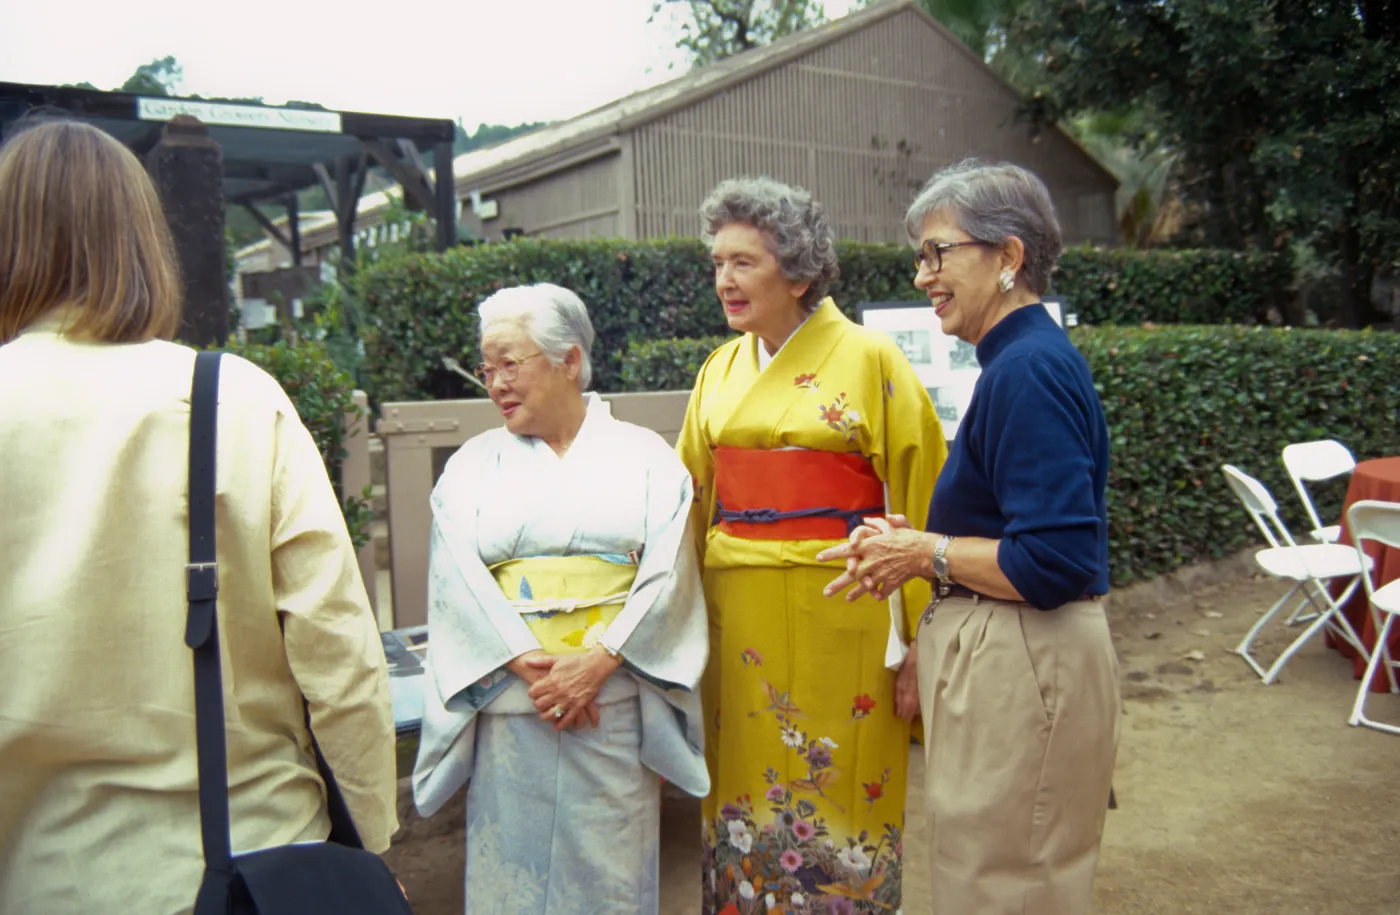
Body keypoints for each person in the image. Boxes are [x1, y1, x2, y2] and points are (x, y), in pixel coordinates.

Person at [0, 120, 398, 914]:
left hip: (38, 872)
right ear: (142, 241)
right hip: (252, 865)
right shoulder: (236, 398)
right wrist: (371, 837)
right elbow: (339, 652)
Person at [820, 159, 1122, 913]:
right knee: (998, 870)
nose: (924, 274)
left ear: (1009, 256)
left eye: (939, 252)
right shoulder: (1021, 363)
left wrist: (923, 552)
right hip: (1016, 654)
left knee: (1005, 881)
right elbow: (1020, 526)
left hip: (1024, 653)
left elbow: (1054, 558)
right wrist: (921, 540)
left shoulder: (1026, 371)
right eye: (920, 256)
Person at [677, 177, 947, 914]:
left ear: (797, 271)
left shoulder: (870, 359)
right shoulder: (719, 370)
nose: (724, 280)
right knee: (740, 790)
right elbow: (688, 507)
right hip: (739, 621)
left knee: (840, 792)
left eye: (744, 262)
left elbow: (925, 503)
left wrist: (925, 637)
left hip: (847, 617)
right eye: (718, 263)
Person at [412, 283, 710, 914]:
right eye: (486, 368)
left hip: (612, 701)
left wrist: (600, 660)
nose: (495, 384)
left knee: (610, 880)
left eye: (510, 364)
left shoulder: (646, 459)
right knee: (513, 881)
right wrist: (527, 659)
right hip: (514, 702)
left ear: (569, 360)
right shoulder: (470, 466)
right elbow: (456, 581)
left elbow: (669, 576)